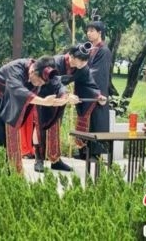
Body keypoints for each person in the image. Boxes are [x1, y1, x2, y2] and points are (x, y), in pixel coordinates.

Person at [0, 56, 78, 172]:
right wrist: (43, 101)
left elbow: (58, 85)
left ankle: (12, 172)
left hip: (12, 102)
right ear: (32, 71)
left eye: (42, 83)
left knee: (10, 138)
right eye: (39, 81)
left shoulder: (43, 73)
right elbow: (18, 91)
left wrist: (66, 96)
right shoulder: (16, 68)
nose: (40, 85)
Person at [31, 43, 106, 171]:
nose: (82, 64)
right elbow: (52, 82)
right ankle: (39, 160)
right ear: (71, 55)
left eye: (85, 61)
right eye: (79, 60)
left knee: (56, 127)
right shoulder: (55, 63)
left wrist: (98, 96)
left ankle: (55, 160)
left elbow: (88, 84)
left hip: (60, 98)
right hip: (44, 95)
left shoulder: (82, 67)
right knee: (40, 126)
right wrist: (67, 95)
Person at [85, 20, 114, 157]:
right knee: (88, 121)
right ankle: (86, 150)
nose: (88, 33)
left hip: (98, 91)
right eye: (88, 30)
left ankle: (96, 153)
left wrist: (82, 74)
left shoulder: (104, 50)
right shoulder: (91, 49)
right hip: (89, 90)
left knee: (97, 121)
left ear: (100, 32)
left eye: (92, 31)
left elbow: (98, 72)